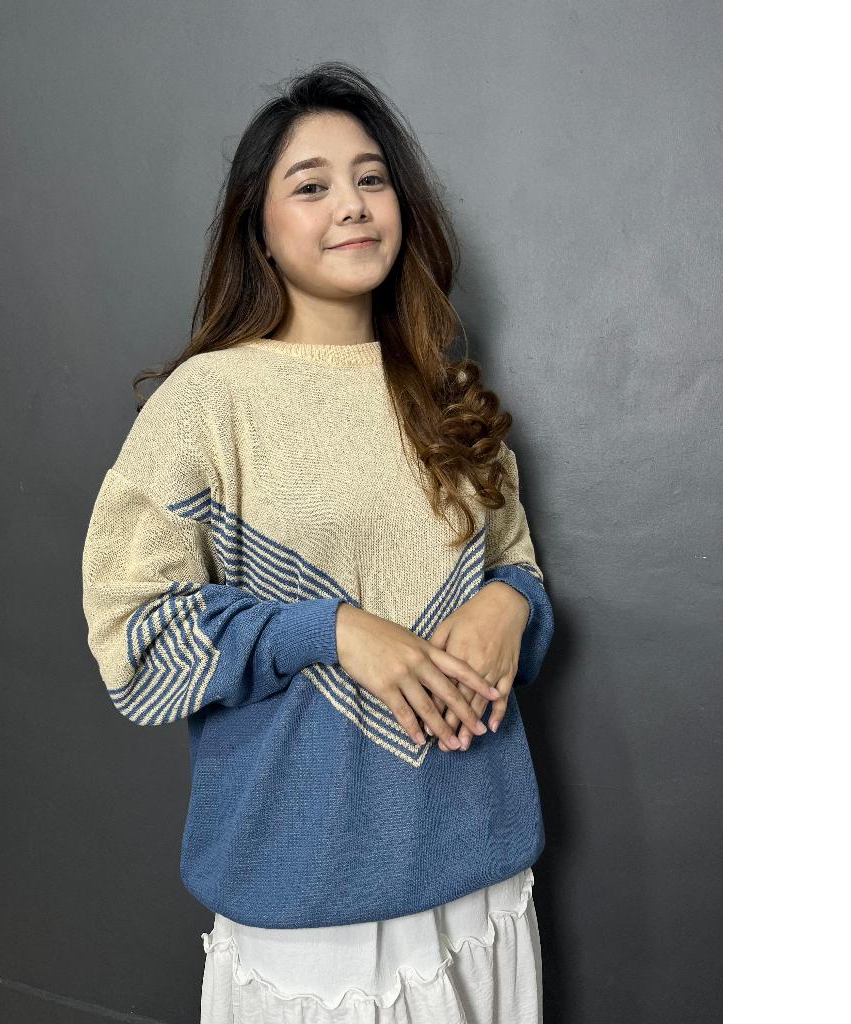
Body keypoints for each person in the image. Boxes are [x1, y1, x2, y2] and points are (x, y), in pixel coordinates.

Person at [81, 62, 554, 1023]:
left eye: (372, 178)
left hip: (483, 875)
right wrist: (332, 629)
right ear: (258, 229)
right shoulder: (209, 402)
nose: (352, 205)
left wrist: (515, 602)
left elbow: (515, 565)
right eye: (312, 185)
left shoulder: (451, 398)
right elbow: (134, 640)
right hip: (311, 907)